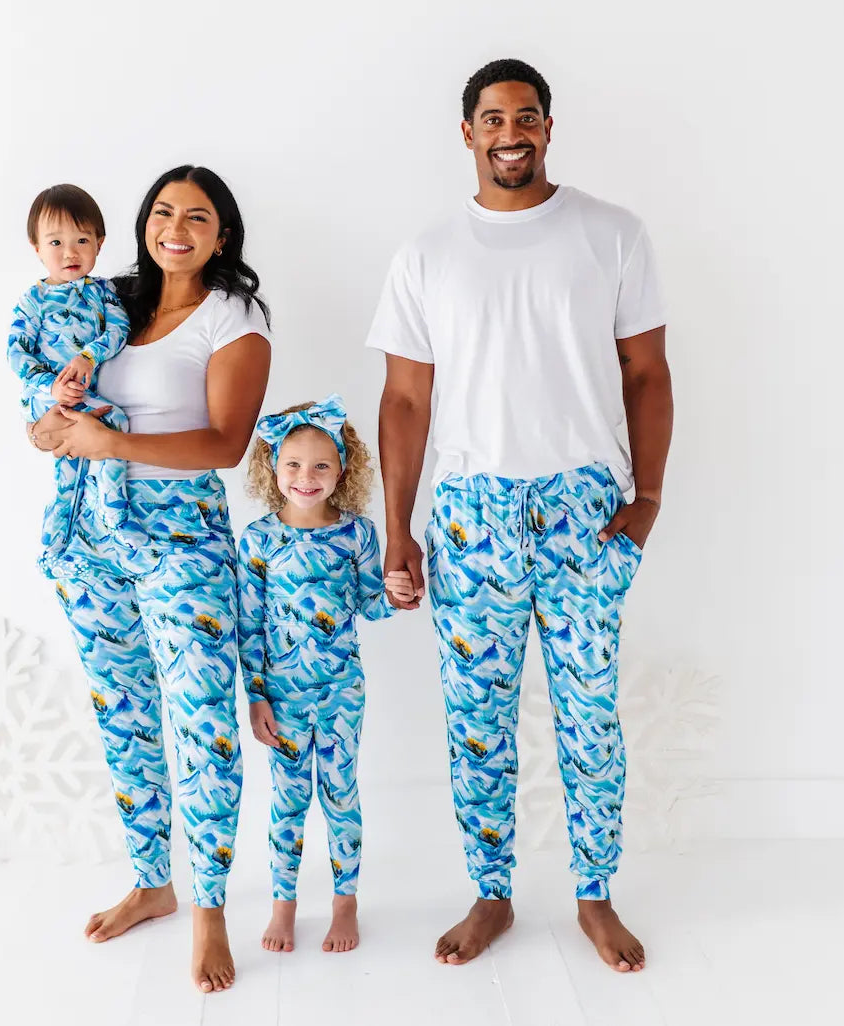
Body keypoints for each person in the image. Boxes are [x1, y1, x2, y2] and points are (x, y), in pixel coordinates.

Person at [366, 58, 673, 973]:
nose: (511, 132)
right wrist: (398, 526)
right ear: (466, 133)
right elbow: (403, 401)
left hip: (584, 507)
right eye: (492, 118)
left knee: (588, 715)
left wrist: (647, 497)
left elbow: (646, 372)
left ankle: (594, 895)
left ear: (548, 126)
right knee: (476, 718)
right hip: (469, 515)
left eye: (526, 116)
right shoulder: (426, 253)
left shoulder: (609, 234)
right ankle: (491, 892)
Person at [27, 165, 272, 993]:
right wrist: (46, 428)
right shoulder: (107, 303)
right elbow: (54, 407)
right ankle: (153, 881)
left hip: (182, 541)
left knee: (201, 721)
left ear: (221, 235)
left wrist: (116, 446)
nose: (176, 227)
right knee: (125, 711)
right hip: (93, 537)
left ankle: (208, 910)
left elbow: (228, 445)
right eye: (162, 212)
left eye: (196, 217)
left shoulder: (232, 317)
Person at [236, 395, 414, 954]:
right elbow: (248, 626)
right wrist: (257, 696)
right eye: (292, 464)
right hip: (283, 697)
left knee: (340, 794)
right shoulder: (258, 540)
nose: (305, 477)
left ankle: (345, 903)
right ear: (272, 468)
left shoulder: (357, 534)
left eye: (320, 465)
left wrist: (397, 593)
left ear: (341, 470)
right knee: (288, 800)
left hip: (341, 692)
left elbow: (370, 605)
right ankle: (283, 905)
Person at [7, 184, 142, 568]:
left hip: (84, 392)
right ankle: (115, 512)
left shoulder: (104, 294)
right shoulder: (32, 301)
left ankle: (56, 541)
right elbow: (16, 354)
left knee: (73, 467)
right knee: (114, 421)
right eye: (55, 242)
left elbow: (117, 331)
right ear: (36, 247)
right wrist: (50, 386)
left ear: (99, 243)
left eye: (82, 239)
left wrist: (88, 356)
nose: (70, 252)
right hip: (47, 394)